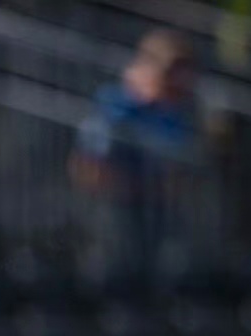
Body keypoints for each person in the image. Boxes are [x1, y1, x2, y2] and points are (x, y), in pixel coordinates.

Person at [68, 28, 202, 288]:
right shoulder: (113, 107)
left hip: (155, 217)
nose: (180, 82)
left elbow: (181, 172)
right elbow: (88, 167)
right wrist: (135, 187)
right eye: (171, 72)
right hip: (113, 215)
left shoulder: (174, 114)